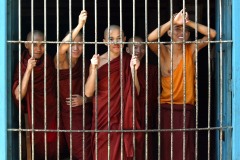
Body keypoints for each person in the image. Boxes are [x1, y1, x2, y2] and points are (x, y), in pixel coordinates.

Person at [147, 9, 216, 160]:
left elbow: (212, 34)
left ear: (189, 35)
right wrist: (172, 22)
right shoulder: (163, 50)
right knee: (167, 151)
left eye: (185, 31)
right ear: (169, 33)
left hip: (186, 108)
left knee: (186, 150)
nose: (181, 33)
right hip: (167, 108)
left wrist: (187, 22)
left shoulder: (191, 49)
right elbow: (150, 39)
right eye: (177, 29)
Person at [85, 25, 143, 160]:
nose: (116, 43)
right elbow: (88, 92)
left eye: (118, 38)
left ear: (124, 39)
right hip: (103, 116)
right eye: (111, 39)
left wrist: (134, 71)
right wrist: (93, 69)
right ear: (105, 41)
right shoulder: (98, 62)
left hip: (123, 116)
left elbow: (137, 91)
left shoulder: (129, 60)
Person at [12, 30, 65, 160]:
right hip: (33, 112)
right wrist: (29, 69)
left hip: (51, 110)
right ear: (26, 45)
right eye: (35, 44)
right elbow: (19, 95)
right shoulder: (22, 64)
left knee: (54, 144)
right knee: (35, 147)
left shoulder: (48, 61)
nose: (39, 49)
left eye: (42, 44)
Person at [54, 10, 92, 160]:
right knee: (80, 152)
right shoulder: (61, 62)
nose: (76, 48)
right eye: (73, 44)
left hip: (88, 113)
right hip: (71, 116)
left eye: (80, 44)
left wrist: (86, 100)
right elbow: (61, 47)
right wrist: (79, 25)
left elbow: (95, 88)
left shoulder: (85, 63)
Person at [126, 36, 158, 160]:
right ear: (127, 50)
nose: (139, 51)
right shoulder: (122, 68)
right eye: (135, 47)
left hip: (145, 116)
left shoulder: (151, 70)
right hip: (125, 116)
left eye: (142, 48)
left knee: (145, 150)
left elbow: (154, 96)